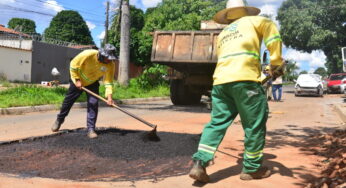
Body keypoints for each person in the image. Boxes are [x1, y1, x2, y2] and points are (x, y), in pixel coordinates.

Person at [188, 0, 284, 183]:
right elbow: (272, 35)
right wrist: (276, 63)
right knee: (254, 124)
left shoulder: (223, 33)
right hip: (246, 81)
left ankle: (199, 162)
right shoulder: (257, 22)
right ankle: (252, 169)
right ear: (246, 11)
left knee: (217, 123)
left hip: (221, 83)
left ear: (228, 15)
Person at [51, 44, 117, 139]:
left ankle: (91, 129)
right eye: (108, 58)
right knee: (68, 102)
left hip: (92, 82)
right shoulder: (88, 54)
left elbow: (108, 81)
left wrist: (109, 97)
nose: (110, 60)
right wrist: (77, 80)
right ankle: (59, 120)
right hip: (78, 80)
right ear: (102, 55)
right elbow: (73, 65)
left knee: (93, 104)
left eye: (112, 58)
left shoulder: (110, 65)